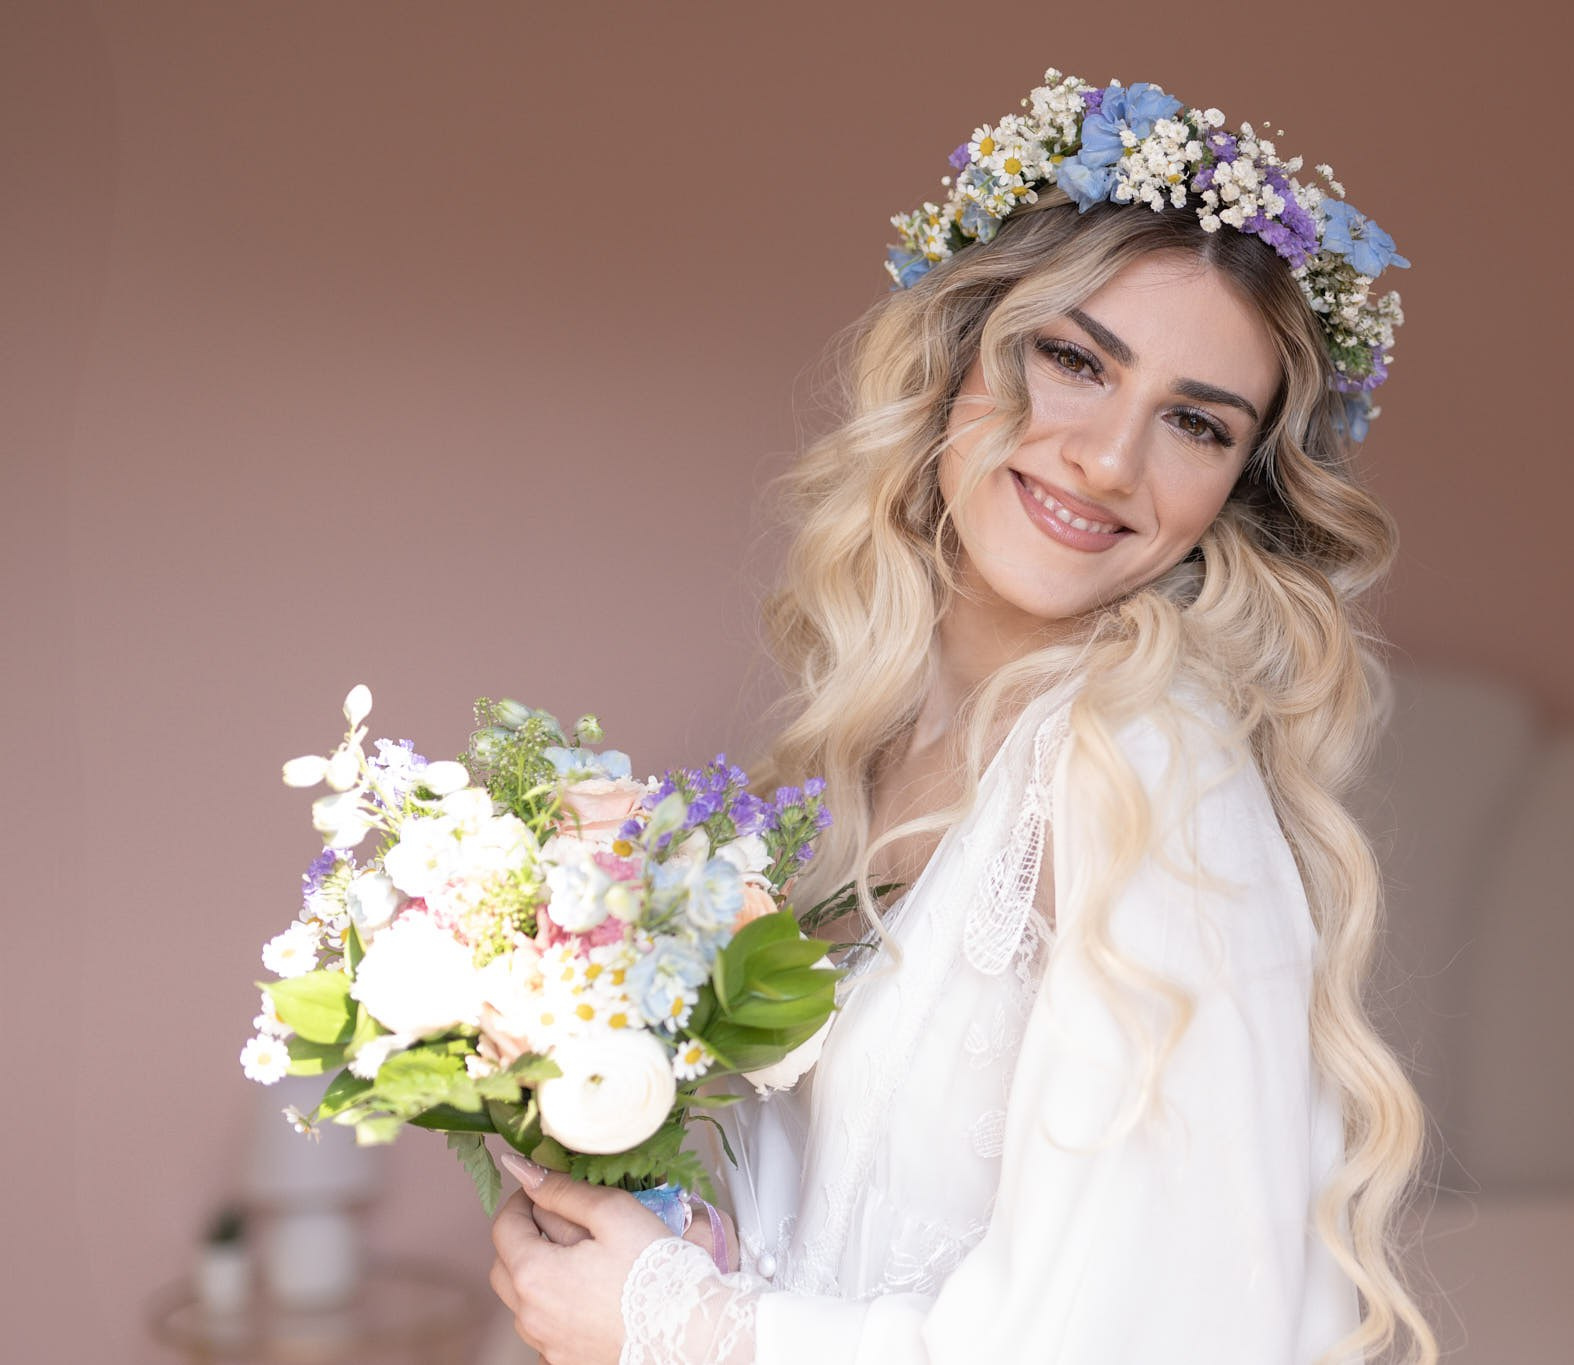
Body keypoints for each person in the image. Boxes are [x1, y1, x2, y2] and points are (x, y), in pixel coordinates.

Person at [486, 69, 1436, 1365]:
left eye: (1196, 425)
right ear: (959, 354)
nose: (1108, 458)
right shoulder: (874, 739)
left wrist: (676, 1326)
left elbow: (1156, 1338)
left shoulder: (1146, 775)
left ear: (1239, 491)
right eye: (1073, 359)